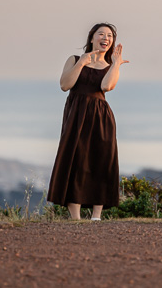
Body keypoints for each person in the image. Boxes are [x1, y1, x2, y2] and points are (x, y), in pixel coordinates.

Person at [47, 22, 129, 220]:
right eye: (101, 34)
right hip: (76, 114)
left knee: (101, 160)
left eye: (109, 36)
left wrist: (116, 63)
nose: (106, 38)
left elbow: (106, 85)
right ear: (92, 38)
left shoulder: (111, 66)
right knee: (76, 159)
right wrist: (82, 63)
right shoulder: (74, 59)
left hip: (101, 117)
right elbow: (65, 85)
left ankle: (96, 216)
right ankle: (75, 217)